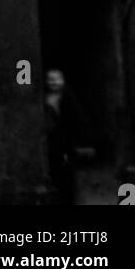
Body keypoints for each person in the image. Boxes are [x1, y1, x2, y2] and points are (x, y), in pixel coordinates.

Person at [44, 67, 90, 204]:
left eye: (56, 79)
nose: (53, 82)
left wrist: (76, 142)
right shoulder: (44, 97)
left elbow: (77, 120)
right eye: (50, 79)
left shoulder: (68, 97)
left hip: (65, 142)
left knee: (67, 176)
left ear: (62, 81)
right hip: (51, 142)